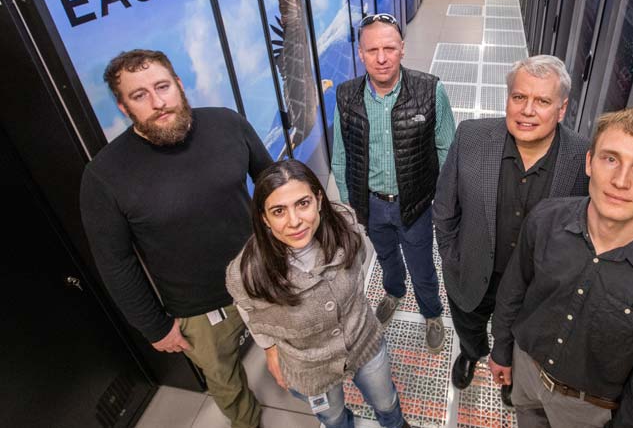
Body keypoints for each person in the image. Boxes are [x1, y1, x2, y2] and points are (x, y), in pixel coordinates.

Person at [79, 49, 271, 428]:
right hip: (198, 309)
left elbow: (272, 186)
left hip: (263, 276)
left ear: (179, 85)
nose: (157, 102)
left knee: (295, 348)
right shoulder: (104, 177)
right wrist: (153, 325)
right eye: (139, 95)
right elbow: (116, 262)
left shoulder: (227, 124)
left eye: (162, 86)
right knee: (224, 381)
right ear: (124, 108)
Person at [489, 107, 633, 428]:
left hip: (588, 411)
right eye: (610, 159)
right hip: (526, 373)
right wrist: (501, 349)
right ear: (589, 162)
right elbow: (514, 290)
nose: (621, 180)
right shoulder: (545, 219)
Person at [433, 55, 589, 406]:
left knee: (520, 340)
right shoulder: (471, 137)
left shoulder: (583, 158)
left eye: (542, 101)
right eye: (519, 97)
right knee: (469, 325)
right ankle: (471, 353)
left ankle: (510, 374)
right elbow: (444, 207)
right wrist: (452, 256)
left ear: (561, 110)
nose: (527, 110)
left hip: (534, 286)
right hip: (472, 270)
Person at [226, 160, 411, 428]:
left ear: (319, 200)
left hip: (363, 340)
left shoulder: (345, 226)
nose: (295, 221)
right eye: (279, 211)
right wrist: (269, 350)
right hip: (308, 365)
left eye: (303, 203)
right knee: (332, 417)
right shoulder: (249, 272)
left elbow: (360, 257)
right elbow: (249, 309)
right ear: (264, 218)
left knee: (386, 401)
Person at [331, 13, 456, 353]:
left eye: (389, 48)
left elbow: (448, 150)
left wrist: (443, 204)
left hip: (413, 204)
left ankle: (431, 313)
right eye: (372, 50)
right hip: (370, 204)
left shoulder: (431, 90)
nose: (381, 58)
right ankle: (394, 292)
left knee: (422, 265)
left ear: (403, 48)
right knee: (385, 256)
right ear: (360, 54)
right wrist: (348, 207)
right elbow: (341, 157)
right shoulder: (345, 96)